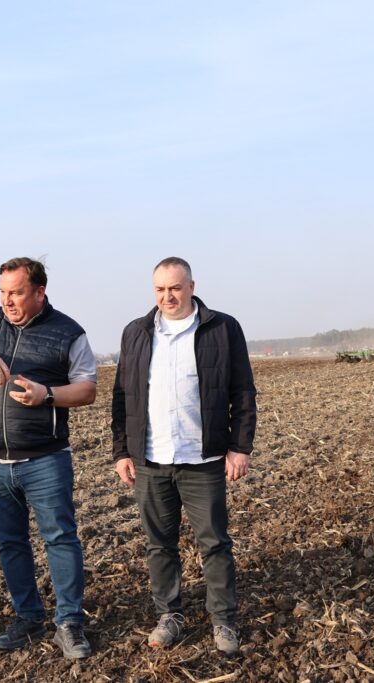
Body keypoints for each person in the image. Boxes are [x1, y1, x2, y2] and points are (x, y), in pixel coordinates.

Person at [0, 257, 97, 660]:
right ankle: (28, 618)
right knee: (10, 543)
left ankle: (69, 623)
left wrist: (48, 395)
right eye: (3, 292)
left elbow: (87, 389)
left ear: (40, 292)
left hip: (45, 459)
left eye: (17, 293)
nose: (7, 301)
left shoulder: (69, 332)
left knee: (60, 539)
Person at [111, 256, 257, 655]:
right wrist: (122, 451)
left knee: (215, 544)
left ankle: (223, 620)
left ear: (192, 286)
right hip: (151, 461)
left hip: (203, 460)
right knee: (159, 545)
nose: (167, 296)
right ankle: (170, 615)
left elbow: (242, 391)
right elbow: (122, 396)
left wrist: (239, 447)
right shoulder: (136, 332)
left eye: (175, 288)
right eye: (160, 289)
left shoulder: (222, 328)